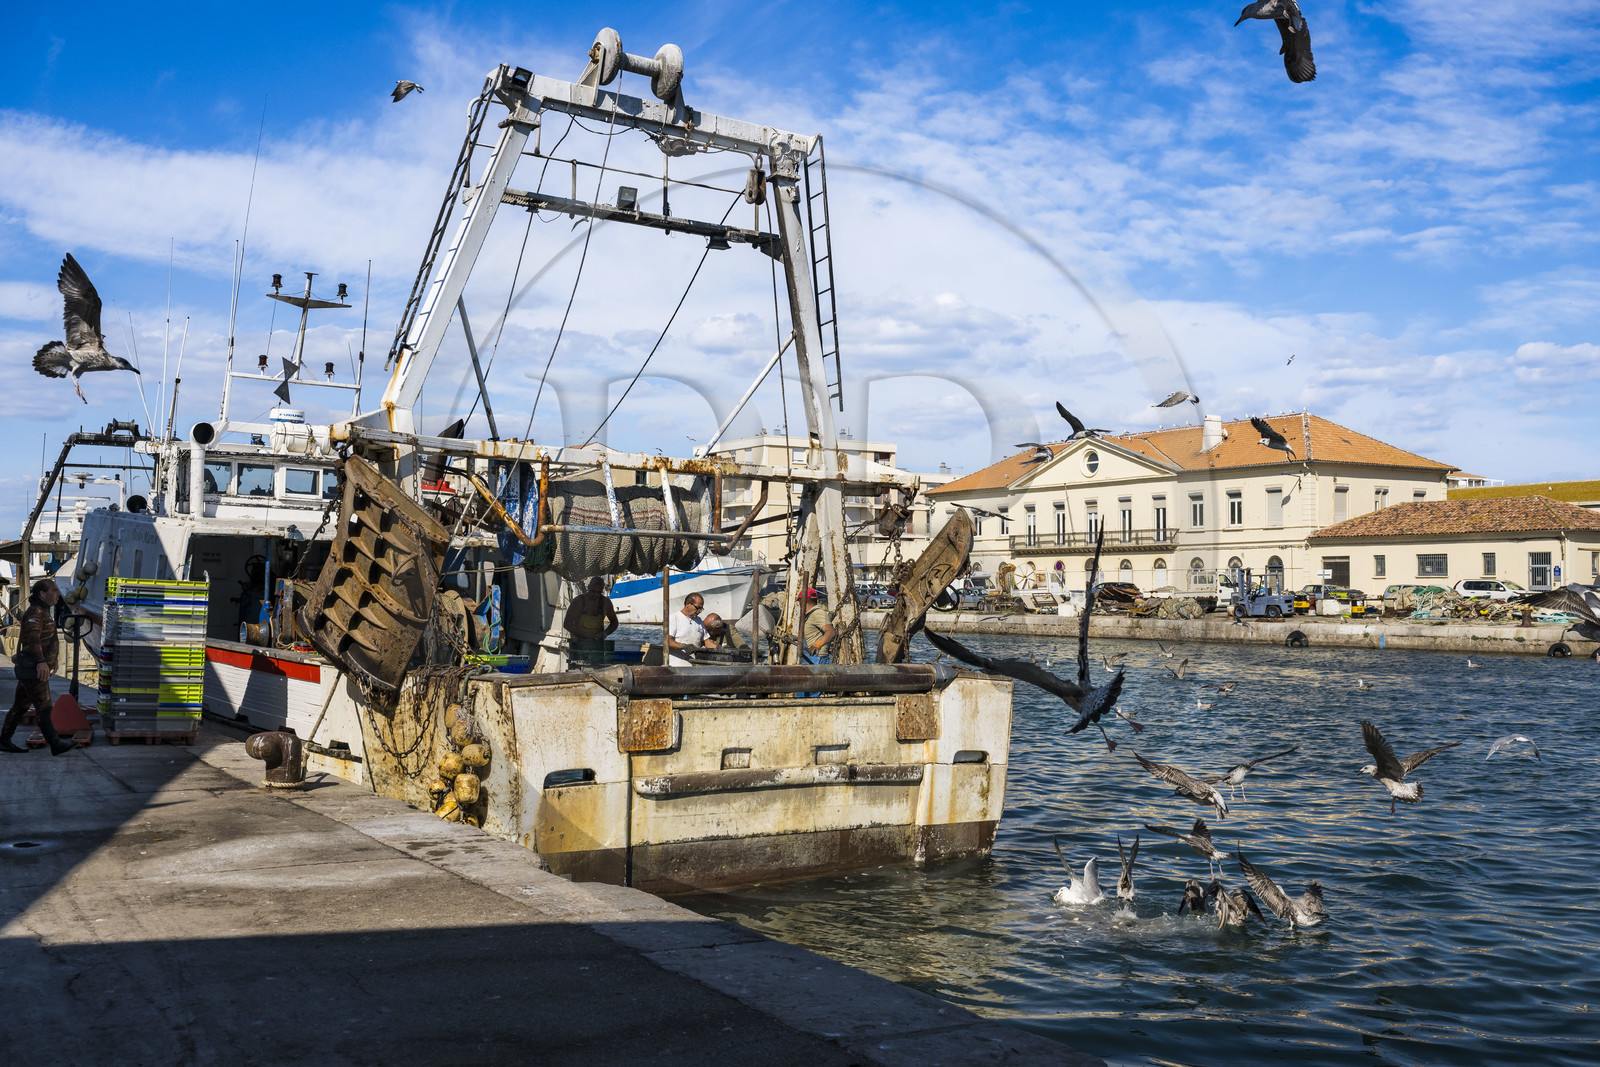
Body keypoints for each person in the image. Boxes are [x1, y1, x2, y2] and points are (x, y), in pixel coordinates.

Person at [1, 578, 78, 755]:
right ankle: (56, 744)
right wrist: (42, 662)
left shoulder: (44, 611)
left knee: (20, 707)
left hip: (31, 668)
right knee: (45, 707)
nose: (58, 594)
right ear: (42, 594)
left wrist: (53, 659)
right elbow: (33, 639)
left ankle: (4, 740)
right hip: (33, 669)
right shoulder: (35, 612)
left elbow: (46, 639)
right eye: (54, 590)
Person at [562, 577, 619, 666]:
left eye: (599, 592)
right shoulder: (578, 601)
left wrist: (605, 633)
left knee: (598, 670)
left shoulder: (606, 602)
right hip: (578, 646)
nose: (596, 595)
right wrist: (586, 636)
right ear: (588, 587)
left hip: (597, 647)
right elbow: (567, 624)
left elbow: (614, 622)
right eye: (593, 591)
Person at [666, 592, 715, 666]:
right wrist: (683, 646)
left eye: (701, 609)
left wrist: (719, 648)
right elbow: (667, 641)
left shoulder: (698, 620)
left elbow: (705, 641)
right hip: (676, 665)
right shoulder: (673, 618)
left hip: (694, 665)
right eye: (697, 608)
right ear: (688, 604)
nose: (699, 611)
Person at [799, 588, 835, 664]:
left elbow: (831, 631)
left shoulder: (817, 613)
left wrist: (816, 645)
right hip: (810, 657)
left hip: (818, 659)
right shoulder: (809, 615)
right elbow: (812, 635)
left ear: (803, 601)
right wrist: (795, 637)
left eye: (799, 601)